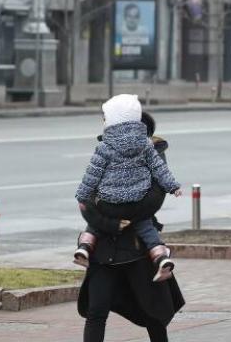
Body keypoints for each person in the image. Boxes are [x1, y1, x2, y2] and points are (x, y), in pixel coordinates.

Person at [77, 111, 185, 342]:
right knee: (97, 311)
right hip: (105, 247)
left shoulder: (153, 151)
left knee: (154, 311)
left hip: (139, 247)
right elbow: (87, 200)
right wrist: (110, 223)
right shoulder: (105, 149)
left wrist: (118, 212)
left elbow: (153, 199)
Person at [75, 94, 182, 282]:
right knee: (147, 227)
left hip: (111, 205)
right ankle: (161, 256)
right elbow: (160, 171)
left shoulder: (105, 147)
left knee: (94, 225)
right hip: (137, 203)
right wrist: (173, 187)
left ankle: (84, 246)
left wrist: (82, 197)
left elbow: (91, 177)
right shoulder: (147, 146)